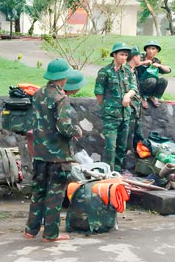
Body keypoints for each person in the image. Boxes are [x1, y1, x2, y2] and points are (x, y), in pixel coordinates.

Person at [24, 59, 82, 242]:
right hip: (58, 155)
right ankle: (50, 234)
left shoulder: (39, 93)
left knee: (38, 192)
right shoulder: (61, 98)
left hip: (40, 152)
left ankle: (30, 230)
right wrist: (76, 130)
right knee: (55, 195)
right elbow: (64, 127)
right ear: (64, 77)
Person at [95, 43, 138, 172]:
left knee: (122, 146)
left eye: (126, 55)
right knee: (110, 146)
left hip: (125, 114)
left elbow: (133, 88)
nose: (124, 57)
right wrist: (105, 107)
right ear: (114, 55)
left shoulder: (128, 72)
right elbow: (98, 92)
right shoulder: (105, 71)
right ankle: (107, 172)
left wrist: (128, 95)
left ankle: (117, 172)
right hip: (111, 116)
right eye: (121, 54)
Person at [136, 40, 171, 108]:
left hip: (150, 83)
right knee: (152, 80)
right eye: (148, 48)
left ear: (157, 51)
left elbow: (168, 70)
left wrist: (159, 65)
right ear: (146, 49)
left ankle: (152, 96)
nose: (150, 51)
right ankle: (142, 96)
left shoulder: (156, 60)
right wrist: (144, 62)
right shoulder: (139, 56)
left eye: (153, 49)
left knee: (164, 80)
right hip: (138, 83)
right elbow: (130, 65)